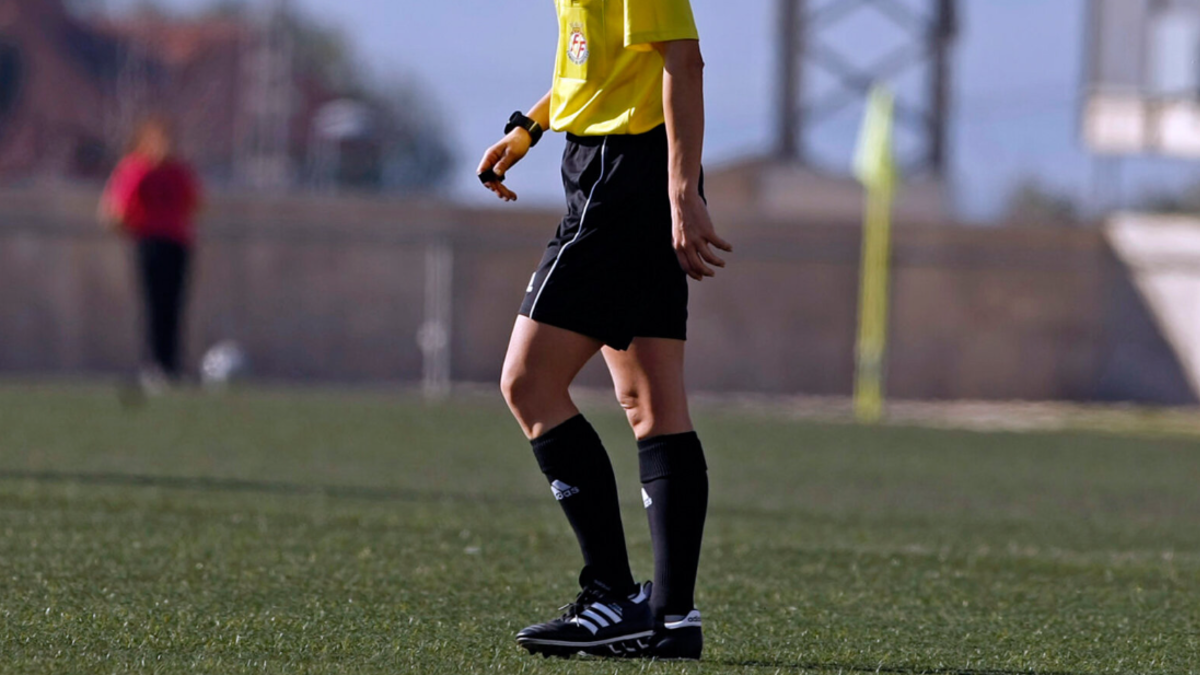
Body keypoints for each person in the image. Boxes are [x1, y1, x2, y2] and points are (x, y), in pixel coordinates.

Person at [477, 0, 730, 660]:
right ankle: (671, 617)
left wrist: (681, 190)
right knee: (652, 402)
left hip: (623, 177)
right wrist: (529, 128)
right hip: (614, 166)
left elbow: (684, 60)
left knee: (528, 382)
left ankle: (611, 594)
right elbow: (594, 69)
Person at [99, 116, 202, 391]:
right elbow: (116, 209)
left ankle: (172, 365)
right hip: (150, 243)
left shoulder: (178, 171)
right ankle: (155, 365)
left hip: (177, 243)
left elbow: (195, 203)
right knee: (154, 305)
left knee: (174, 305)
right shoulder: (136, 169)